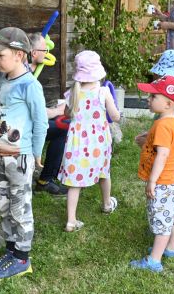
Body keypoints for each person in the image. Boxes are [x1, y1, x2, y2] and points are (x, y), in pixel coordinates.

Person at [0, 27, 48, 280]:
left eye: (0, 55)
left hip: (19, 158)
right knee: (4, 205)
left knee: (20, 207)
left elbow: (41, 122)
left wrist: (36, 154)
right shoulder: (3, 78)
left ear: (19, 55)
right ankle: (11, 248)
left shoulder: (30, 85)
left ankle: (22, 258)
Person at [57, 51, 121, 232]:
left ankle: (71, 220)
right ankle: (107, 204)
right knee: (104, 172)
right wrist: (118, 114)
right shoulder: (104, 91)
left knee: (74, 182)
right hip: (98, 143)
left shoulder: (72, 93)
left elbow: (67, 114)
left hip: (76, 144)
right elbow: (115, 117)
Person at [134, 50, 174, 245]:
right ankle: (172, 236)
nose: (159, 78)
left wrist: (152, 145)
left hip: (172, 158)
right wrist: (150, 137)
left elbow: (165, 146)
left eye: (162, 76)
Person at [130, 76, 174, 273]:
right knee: (172, 216)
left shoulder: (163, 125)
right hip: (173, 178)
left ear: (168, 103)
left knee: (162, 221)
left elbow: (162, 155)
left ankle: (154, 261)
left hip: (162, 181)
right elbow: (168, 144)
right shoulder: (171, 120)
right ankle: (170, 248)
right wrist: (147, 139)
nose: (148, 99)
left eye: (153, 96)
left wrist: (152, 181)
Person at [28, 32, 68, 196]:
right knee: (63, 126)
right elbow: (36, 114)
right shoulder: (25, 77)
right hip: (23, 132)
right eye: (44, 50)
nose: (47, 54)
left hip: (28, 125)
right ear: (34, 53)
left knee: (62, 124)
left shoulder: (29, 71)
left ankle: (48, 177)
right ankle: (45, 180)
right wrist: (57, 111)